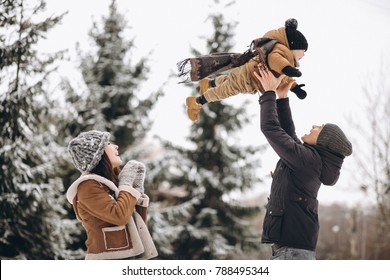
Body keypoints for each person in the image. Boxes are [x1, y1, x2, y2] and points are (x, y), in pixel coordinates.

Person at [253, 64, 352, 260]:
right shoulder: (310, 161)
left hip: (292, 254)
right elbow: (288, 135)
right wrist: (282, 98)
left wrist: (269, 93)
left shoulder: (309, 162)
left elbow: (271, 129)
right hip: (291, 252)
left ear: (324, 141)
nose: (315, 125)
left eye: (320, 128)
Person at [179, 18, 308, 122]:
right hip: (247, 78)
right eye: (302, 52)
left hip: (247, 76)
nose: (303, 56)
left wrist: (295, 88)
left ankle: (208, 83)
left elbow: (283, 77)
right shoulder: (281, 52)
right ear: (293, 46)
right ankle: (196, 102)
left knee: (228, 81)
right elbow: (276, 61)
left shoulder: (282, 53)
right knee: (224, 91)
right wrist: (287, 68)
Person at [66, 130, 158, 260]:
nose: (116, 146)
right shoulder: (87, 187)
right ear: (98, 154)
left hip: (128, 257)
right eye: (108, 143)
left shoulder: (108, 185)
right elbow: (119, 216)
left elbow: (136, 224)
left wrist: (136, 189)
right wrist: (126, 183)